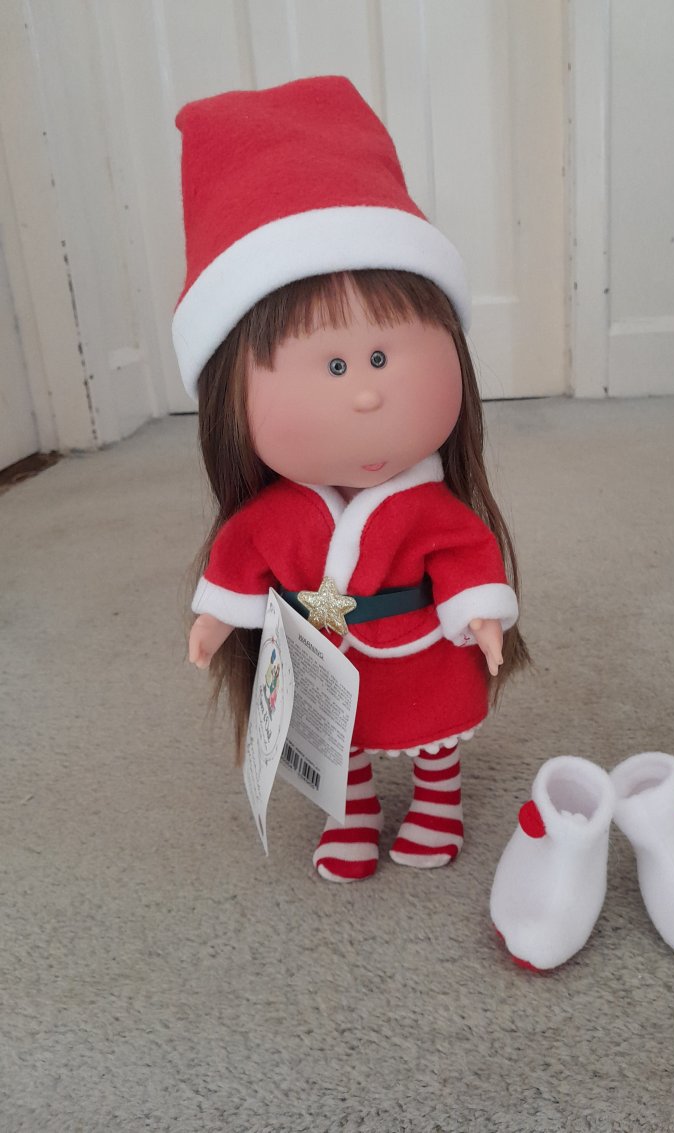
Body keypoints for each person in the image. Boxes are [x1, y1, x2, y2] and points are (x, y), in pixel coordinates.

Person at [174, 76, 528, 882]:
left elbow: (465, 556)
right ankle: (352, 812)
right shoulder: (277, 514)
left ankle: (438, 802)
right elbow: (240, 562)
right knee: (341, 741)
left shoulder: (427, 506)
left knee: (435, 736)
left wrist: (479, 611)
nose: (366, 393)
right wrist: (216, 618)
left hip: (419, 645)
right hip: (321, 646)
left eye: (380, 356)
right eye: (333, 365)